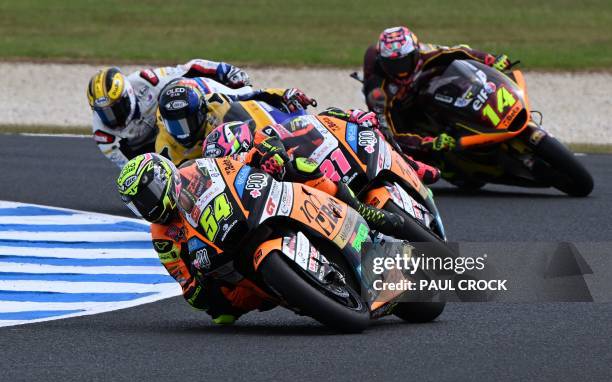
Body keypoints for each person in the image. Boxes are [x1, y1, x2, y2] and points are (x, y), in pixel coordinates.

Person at [200, 110, 441, 235]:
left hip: (324, 174)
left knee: (302, 166)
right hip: (295, 208)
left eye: (231, 159)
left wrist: (349, 116)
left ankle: (408, 168)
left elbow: (315, 120)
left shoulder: (264, 137)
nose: (231, 168)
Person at [116, 153, 271, 325]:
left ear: (163, 178)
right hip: (221, 258)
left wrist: (260, 155)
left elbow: (234, 164)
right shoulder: (161, 236)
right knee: (218, 309)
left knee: (286, 167)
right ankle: (272, 293)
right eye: (138, 205)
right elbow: (185, 282)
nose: (147, 208)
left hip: (242, 215)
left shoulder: (195, 170)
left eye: (148, 197)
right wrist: (198, 283)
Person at [362, 26, 512, 154]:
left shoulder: (425, 52)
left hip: (421, 87)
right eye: (394, 65)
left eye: (405, 62)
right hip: (400, 109)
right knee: (403, 152)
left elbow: (458, 51)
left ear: (415, 52)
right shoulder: (377, 92)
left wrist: (489, 59)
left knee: (450, 73)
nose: (401, 71)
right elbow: (388, 134)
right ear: (383, 63)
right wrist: (428, 143)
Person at [86, 60, 252, 168]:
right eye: (105, 113)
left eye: (116, 108)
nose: (113, 117)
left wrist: (224, 71)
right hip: (147, 150)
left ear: (128, 94)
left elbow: (188, 69)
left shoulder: (148, 81)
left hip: (173, 123)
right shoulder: (103, 134)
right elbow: (129, 167)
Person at [155, 78, 316, 166]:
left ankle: (278, 140)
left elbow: (249, 95)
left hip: (234, 149)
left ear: (201, 112)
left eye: (186, 123)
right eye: (174, 125)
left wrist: (284, 94)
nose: (183, 132)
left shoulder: (215, 103)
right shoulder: (165, 149)